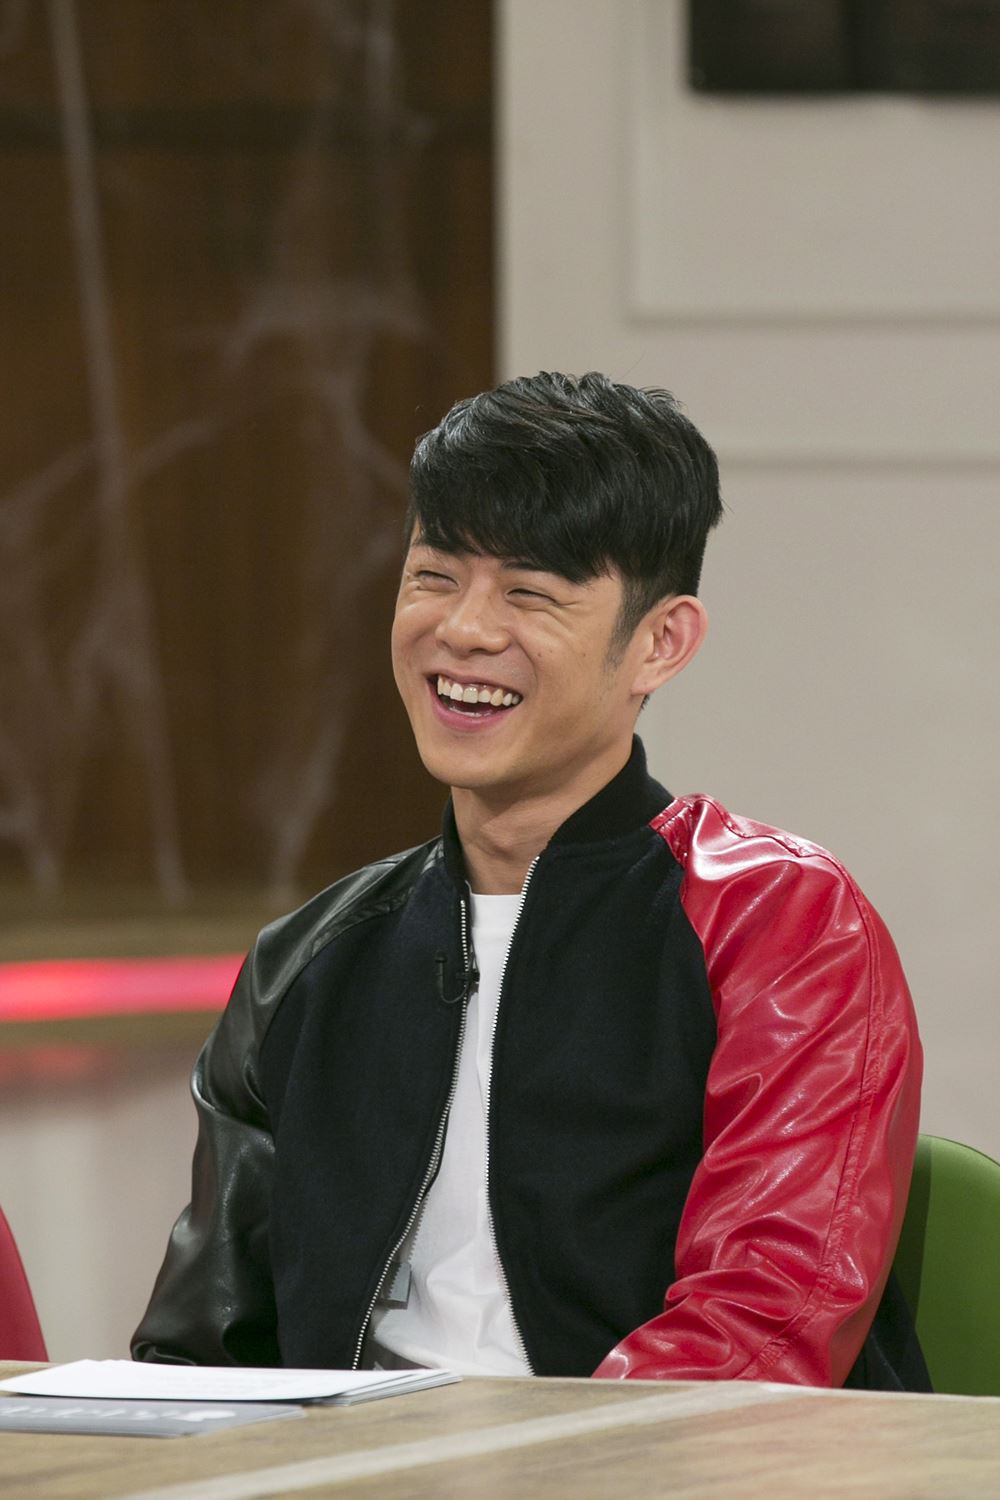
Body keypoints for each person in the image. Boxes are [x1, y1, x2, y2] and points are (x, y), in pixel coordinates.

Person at [133, 370, 928, 1389]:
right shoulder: (307, 961)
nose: (464, 630)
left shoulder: (782, 926)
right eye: (433, 576)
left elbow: (760, 1335)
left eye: (529, 592)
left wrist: (537, 1463)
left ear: (659, 643)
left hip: (657, 1457)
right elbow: (201, 1351)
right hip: (357, 1456)